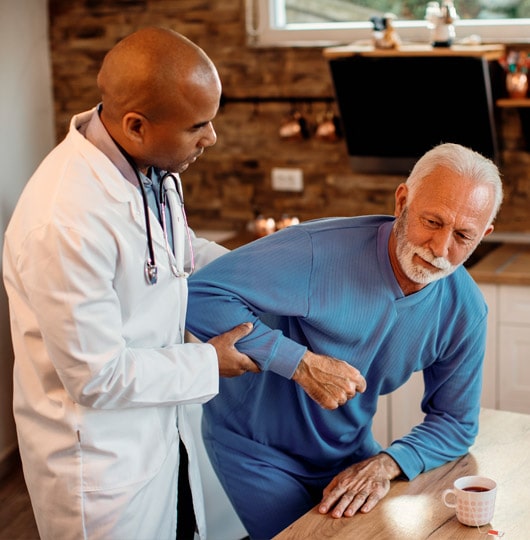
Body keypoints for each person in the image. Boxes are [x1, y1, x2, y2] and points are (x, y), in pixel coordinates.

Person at [2, 27, 259, 540]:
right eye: (198, 126)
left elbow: (177, 254)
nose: (211, 138)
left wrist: (259, 274)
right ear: (136, 125)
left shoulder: (151, 168)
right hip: (100, 467)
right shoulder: (65, 220)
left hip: (163, 436)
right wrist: (211, 361)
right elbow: (97, 376)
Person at [186, 142, 504, 539]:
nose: (440, 249)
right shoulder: (317, 250)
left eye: (463, 236)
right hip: (256, 451)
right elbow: (197, 295)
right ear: (403, 199)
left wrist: (387, 462)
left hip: (350, 453)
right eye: (433, 222)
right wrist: (298, 363)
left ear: (485, 234)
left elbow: (456, 422)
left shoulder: (465, 310)